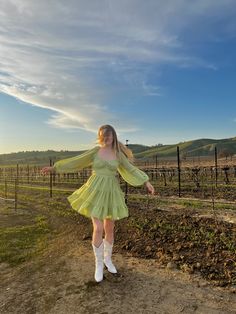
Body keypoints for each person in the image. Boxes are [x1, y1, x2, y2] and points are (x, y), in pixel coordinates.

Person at [41, 124, 155, 283]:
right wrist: (55, 168)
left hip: (111, 192)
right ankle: (99, 264)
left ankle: (108, 260)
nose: (105, 139)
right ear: (100, 137)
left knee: (110, 228)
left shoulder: (118, 154)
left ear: (113, 136)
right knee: (98, 227)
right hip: (94, 191)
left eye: (108, 136)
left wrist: (146, 182)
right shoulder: (96, 151)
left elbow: (131, 169)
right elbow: (76, 161)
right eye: (102, 136)